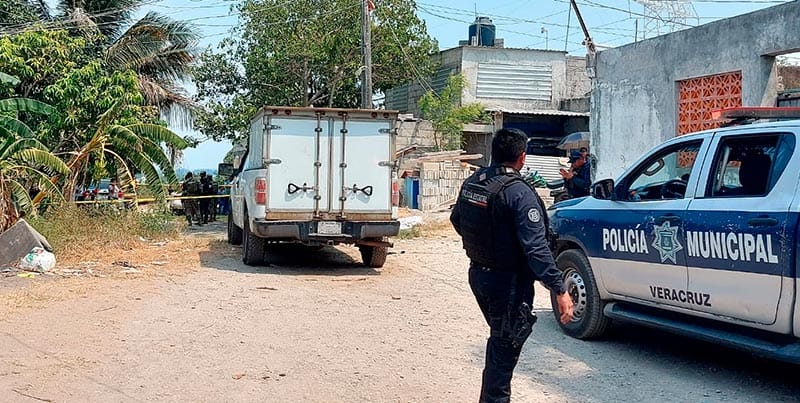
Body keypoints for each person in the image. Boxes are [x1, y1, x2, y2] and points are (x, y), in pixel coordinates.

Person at [450, 128, 574, 403]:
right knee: (504, 349)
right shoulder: (519, 192)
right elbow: (536, 248)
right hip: (507, 283)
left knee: (501, 341)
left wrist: (487, 244)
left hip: (479, 274)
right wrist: (559, 288)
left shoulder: (475, 181)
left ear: (494, 152)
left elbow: (457, 221)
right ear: (522, 157)